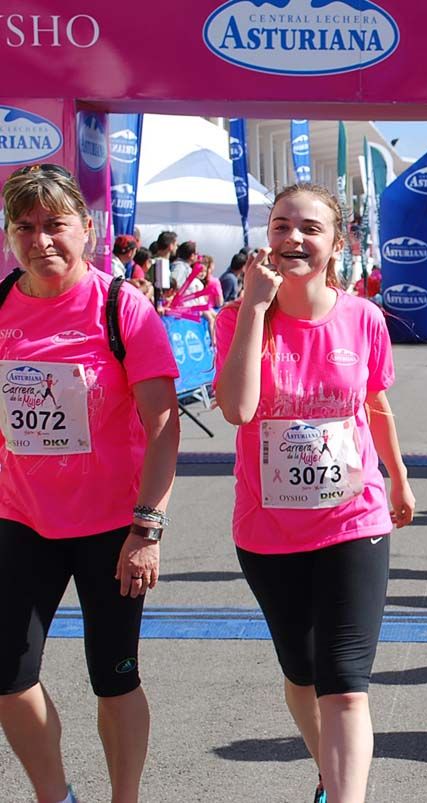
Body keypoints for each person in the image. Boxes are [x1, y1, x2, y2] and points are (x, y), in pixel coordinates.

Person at [214, 182, 415, 803]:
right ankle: (330, 774)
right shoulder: (235, 317)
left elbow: (375, 405)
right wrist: (252, 309)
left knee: (346, 683)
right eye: (280, 227)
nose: (293, 239)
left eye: (309, 228)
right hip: (268, 527)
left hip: (354, 519)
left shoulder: (363, 317)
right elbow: (239, 409)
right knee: (302, 675)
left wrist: (398, 477)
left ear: (335, 242)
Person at [0, 164, 181, 803]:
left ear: (88, 227)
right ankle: (56, 795)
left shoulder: (119, 305)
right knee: (7, 675)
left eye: (55, 224)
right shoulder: (0, 306)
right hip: (20, 519)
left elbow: (163, 428)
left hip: (112, 525)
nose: (40, 239)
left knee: (114, 676)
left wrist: (147, 528)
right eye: (24, 226)